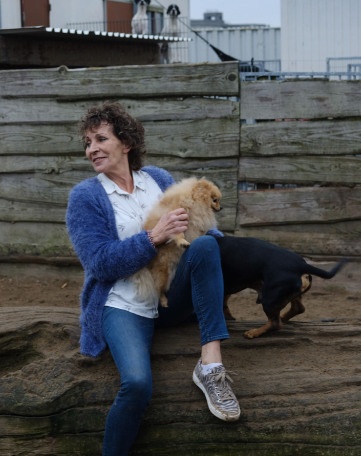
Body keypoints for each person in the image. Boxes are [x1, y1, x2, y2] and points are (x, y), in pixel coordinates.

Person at [65, 102, 240, 456]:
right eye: (87, 143)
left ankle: (211, 367)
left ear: (126, 143)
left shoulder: (157, 179)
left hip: (170, 296)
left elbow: (199, 228)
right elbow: (99, 263)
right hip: (123, 305)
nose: (92, 149)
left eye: (101, 139)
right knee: (137, 384)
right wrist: (154, 237)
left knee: (207, 245)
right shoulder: (85, 197)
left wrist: (249, 255)